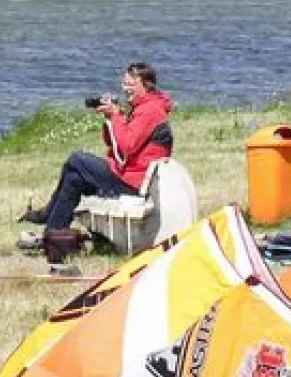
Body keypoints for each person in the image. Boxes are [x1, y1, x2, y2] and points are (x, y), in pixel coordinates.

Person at [20, 62, 175, 260]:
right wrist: (111, 119)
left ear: (145, 85)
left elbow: (126, 147)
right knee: (74, 178)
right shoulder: (144, 107)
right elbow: (119, 146)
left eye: (129, 84)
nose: (124, 89)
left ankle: (46, 216)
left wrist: (115, 116)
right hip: (130, 175)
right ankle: (53, 237)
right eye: (123, 83)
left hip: (133, 183)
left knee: (77, 159)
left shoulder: (150, 110)